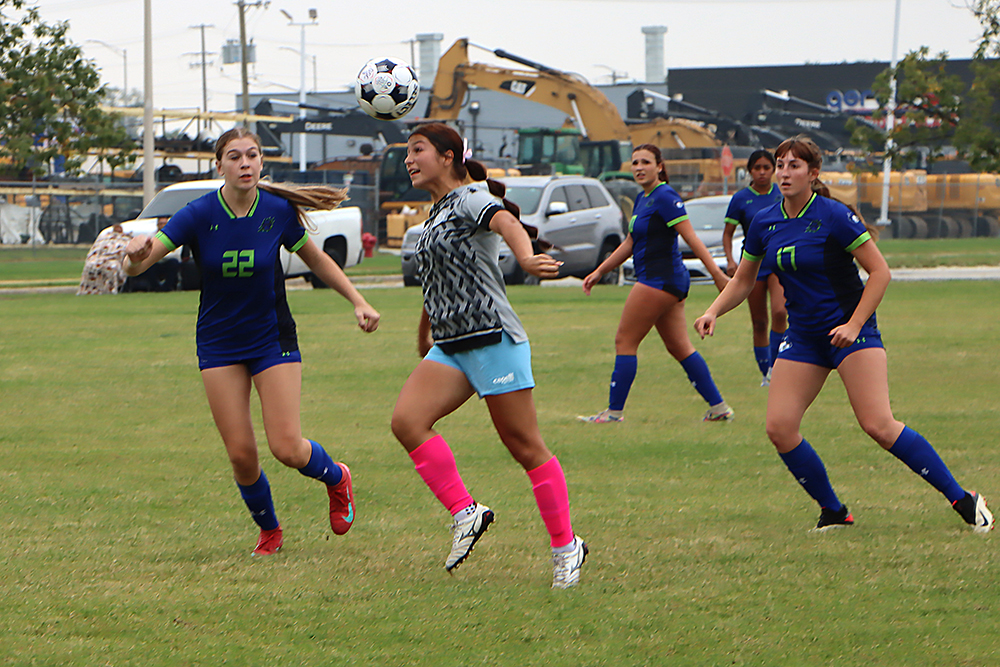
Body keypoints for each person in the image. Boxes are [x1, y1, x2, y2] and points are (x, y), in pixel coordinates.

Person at [694, 135, 993, 533]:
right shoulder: (765, 220)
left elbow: (881, 272)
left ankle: (963, 499)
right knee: (779, 428)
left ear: (813, 173)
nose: (784, 172)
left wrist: (853, 325)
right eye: (780, 164)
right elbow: (744, 280)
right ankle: (834, 511)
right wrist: (713, 310)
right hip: (804, 337)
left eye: (793, 166)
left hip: (853, 333)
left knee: (878, 425)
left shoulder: (834, 215)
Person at [122, 127, 381, 555]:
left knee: (286, 447)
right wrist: (134, 257)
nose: (245, 163)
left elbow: (317, 260)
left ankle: (336, 477)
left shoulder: (277, 210)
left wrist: (358, 301)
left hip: (271, 339)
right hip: (219, 342)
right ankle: (270, 532)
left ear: (261, 163)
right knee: (242, 455)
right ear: (219, 165)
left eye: (252, 156)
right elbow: (141, 264)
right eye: (235, 157)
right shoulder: (197, 213)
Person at [389, 123, 587, 589]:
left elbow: (504, 221)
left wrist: (524, 256)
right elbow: (435, 281)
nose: (409, 160)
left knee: (525, 446)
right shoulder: (434, 212)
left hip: (493, 337)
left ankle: (566, 548)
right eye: (407, 152)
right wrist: (427, 332)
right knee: (407, 422)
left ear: (448, 156)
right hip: (452, 345)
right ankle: (466, 511)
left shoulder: (471, 197)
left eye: (418, 150)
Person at [577, 143, 734, 424]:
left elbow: (691, 238)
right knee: (680, 348)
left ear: (659, 166)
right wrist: (600, 270)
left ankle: (613, 414)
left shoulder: (665, 196)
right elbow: (630, 242)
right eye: (635, 162)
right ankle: (719, 408)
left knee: (625, 341)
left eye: (645, 162)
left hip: (659, 281)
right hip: (666, 282)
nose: (639, 167)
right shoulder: (643, 198)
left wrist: (717, 275)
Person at [722, 150, 786, 385]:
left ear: (773, 170)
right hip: (754, 264)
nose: (762, 172)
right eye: (757, 168)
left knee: (781, 312)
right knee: (759, 321)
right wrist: (730, 261)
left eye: (766, 168)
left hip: (779, 262)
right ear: (749, 171)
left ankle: (778, 366)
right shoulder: (740, 198)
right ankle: (765, 373)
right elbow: (727, 234)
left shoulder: (781, 194)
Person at [78, 223, 132, 295]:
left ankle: (108, 290)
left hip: (110, 261)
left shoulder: (125, 239)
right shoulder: (105, 238)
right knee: (92, 265)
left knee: (112, 267)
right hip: (100, 259)